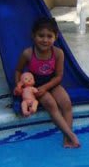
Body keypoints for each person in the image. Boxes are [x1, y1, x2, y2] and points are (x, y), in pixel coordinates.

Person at [14, 17, 81, 148]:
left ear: (56, 37)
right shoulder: (28, 53)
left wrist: (47, 87)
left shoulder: (58, 53)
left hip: (52, 83)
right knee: (51, 104)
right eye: (41, 35)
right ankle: (70, 135)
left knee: (66, 103)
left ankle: (67, 139)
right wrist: (19, 85)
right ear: (33, 35)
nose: (45, 40)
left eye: (49, 36)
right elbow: (18, 70)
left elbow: (59, 76)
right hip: (36, 87)